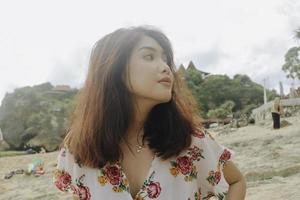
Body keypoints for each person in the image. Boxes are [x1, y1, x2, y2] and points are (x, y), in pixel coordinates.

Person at [53, 26, 246, 200]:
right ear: (116, 70)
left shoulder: (189, 140)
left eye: (165, 59)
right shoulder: (80, 146)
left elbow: (235, 182)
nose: (166, 67)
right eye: (149, 56)